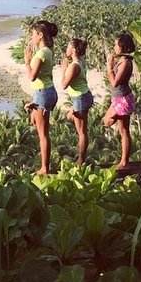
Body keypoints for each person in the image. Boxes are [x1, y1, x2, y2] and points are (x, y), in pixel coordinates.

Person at [25, 20, 59, 175]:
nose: (32, 37)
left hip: (43, 92)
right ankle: (44, 164)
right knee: (34, 121)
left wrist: (27, 62)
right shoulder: (48, 51)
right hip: (45, 92)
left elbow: (32, 76)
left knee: (43, 134)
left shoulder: (41, 53)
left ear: (40, 35)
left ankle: (44, 168)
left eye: (33, 34)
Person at [103, 30, 137, 169]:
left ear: (123, 47)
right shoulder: (122, 60)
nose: (114, 47)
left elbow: (115, 82)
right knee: (106, 122)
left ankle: (124, 161)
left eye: (116, 45)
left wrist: (109, 68)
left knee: (124, 131)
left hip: (122, 99)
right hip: (117, 99)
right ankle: (124, 159)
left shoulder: (126, 63)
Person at [60, 37, 94, 164]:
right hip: (83, 96)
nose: (66, 49)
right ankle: (81, 156)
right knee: (76, 124)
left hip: (80, 98)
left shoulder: (74, 66)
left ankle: (81, 159)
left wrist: (63, 70)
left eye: (68, 47)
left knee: (82, 132)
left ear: (73, 50)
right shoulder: (81, 61)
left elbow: (64, 85)